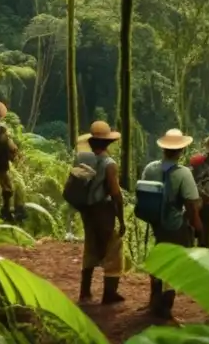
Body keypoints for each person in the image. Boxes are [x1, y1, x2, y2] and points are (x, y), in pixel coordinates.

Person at [141, 128, 202, 319]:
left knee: (159, 259)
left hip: (156, 222)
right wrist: (198, 225)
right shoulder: (183, 173)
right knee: (175, 265)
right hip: (175, 225)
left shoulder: (150, 168)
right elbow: (191, 204)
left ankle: (154, 301)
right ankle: (166, 307)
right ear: (182, 150)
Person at [75, 121, 126, 305]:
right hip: (103, 211)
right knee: (113, 250)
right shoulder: (108, 163)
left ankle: (85, 292)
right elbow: (115, 193)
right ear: (108, 143)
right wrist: (121, 218)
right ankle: (109, 294)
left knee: (91, 247)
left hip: (87, 211)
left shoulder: (83, 159)